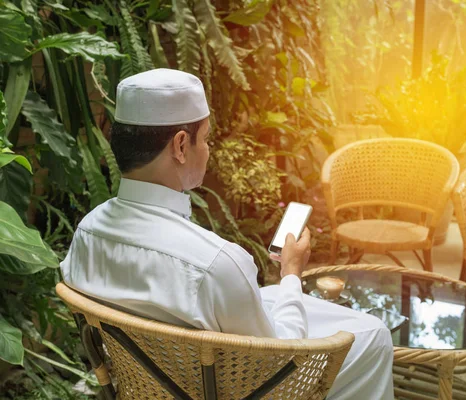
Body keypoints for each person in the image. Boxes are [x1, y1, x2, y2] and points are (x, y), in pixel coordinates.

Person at [60, 69, 393, 399]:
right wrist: (291, 273)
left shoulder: (86, 234)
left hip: (152, 385)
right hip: (237, 389)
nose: (207, 150)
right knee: (375, 335)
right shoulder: (215, 264)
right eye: (204, 139)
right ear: (180, 145)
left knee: (274, 298)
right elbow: (280, 363)